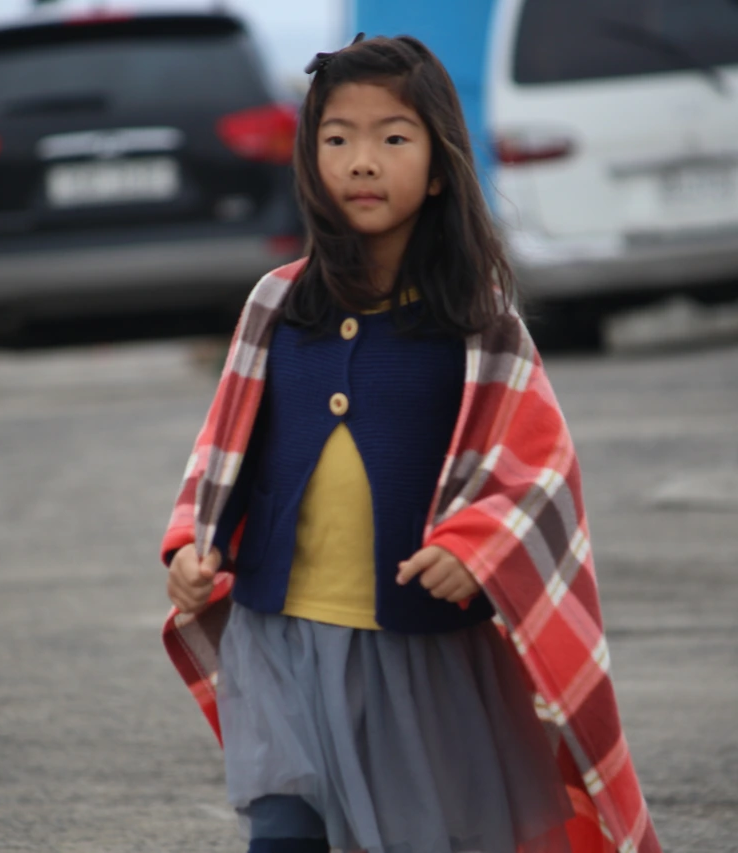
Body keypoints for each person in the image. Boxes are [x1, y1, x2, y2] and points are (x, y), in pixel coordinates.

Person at [160, 34, 660, 853]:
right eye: (337, 138)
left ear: (437, 168)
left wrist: (476, 547)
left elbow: (537, 470)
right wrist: (191, 547)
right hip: (278, 636)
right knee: (283, 831)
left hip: (421, 652)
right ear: (310, 159)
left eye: (392, 138)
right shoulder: (275, 306)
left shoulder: (478, 322)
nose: (362, 161)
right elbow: (223, 449)